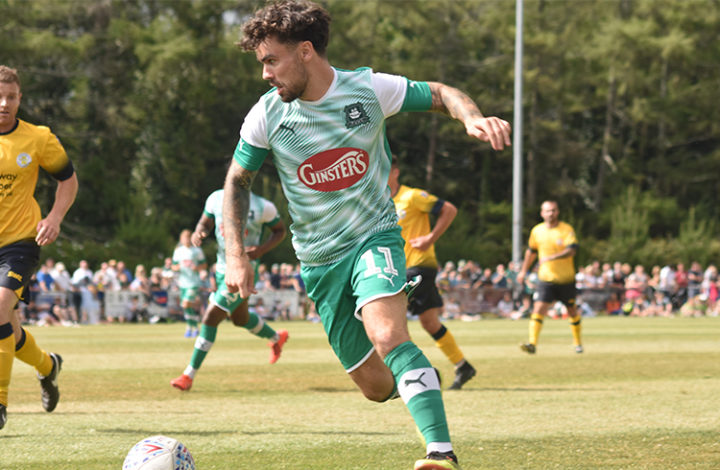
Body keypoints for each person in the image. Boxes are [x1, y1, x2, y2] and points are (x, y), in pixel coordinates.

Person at [221, 2, 510, 468]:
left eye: (271, 60)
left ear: (307, 52)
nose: (265, 74)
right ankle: (419, 376)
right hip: (318, 261)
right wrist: (236, 255)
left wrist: (470, 118)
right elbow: (237, 181)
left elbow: (440, 92)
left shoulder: (368, 88)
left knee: (388, 334)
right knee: (375, 387)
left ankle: (441, 453)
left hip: (374, 238)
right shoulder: (266, 115)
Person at [0, 65, 78, 429]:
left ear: (20, 99)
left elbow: (67, 179)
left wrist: (55, 217)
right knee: (7, 329)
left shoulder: (38, 138)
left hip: (19, 243)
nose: (4, 104)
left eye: (11, 97)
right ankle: (48, 366)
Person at [170, 189, 289, 391]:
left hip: (243, 271)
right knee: (240, 319)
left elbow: (280, 231)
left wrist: (260, 250)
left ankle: (188, 376)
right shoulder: (215, 198)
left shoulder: (263, 206)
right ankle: (276, 338)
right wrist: (200, 232)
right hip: (222, 269)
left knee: (210, 317)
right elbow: (204, 222)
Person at [388, 156, 476, 391]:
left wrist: (430, 238)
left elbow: (449, 209)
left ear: (395, 172)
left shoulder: (412, 196)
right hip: (398, 269)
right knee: (429, 322)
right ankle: (463, 365)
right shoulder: (379, 201)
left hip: (417, 267)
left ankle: (408, 372)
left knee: (390, 318)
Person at [517, 201, 583, 354]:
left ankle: (577, 343)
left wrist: (551, 257)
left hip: (566, 278)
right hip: (546, 278)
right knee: (538, 308)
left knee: (572, 310)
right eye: (547, 211)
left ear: (557, 212)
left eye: (553, 210)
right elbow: (531, 252)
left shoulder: (566, 229)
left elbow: (572, 250)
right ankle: (532, 344)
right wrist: (523, 270)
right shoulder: (537, 231)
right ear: (542, 213)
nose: (550, 213)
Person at [172, 229, 207, 337]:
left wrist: (196, 268)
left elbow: (204, 265)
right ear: (181, 240)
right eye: (184, 238)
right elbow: (173, 266)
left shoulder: (197, 250)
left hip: (193, 282)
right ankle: (193, 327)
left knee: (185, 303)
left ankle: (192, 327)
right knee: (186, 307)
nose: (186, 240)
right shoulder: (178, 251)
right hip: (182, 282)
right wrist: (178, 267)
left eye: (188, 238)